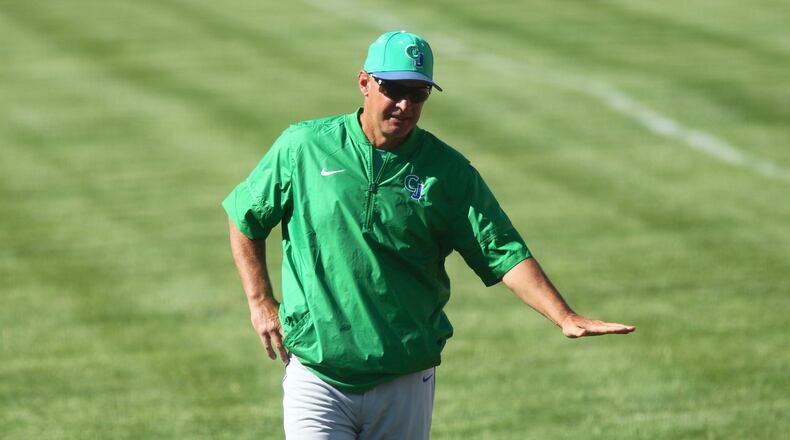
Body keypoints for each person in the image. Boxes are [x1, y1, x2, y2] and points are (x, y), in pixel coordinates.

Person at [223, 30, 635, 440]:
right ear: (364, 82)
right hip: (317, 375)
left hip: (404, 380)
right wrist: (260, 302)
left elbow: (501, 251)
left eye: (418, 94)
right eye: (395, 89)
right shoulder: (304, 146)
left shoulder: (447, 171)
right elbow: (245, 216)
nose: (404, 105)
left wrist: (563, 315)